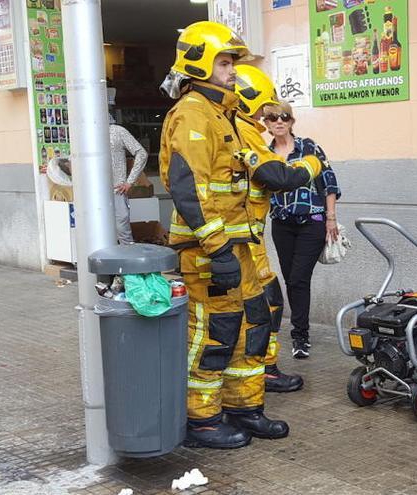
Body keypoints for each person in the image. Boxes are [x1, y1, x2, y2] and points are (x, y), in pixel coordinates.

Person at [159, 21, 292, 449]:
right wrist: (216, 247)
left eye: (233, 60)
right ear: (198, 61)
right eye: (224, 60)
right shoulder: (192, 114)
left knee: (254, 323)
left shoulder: (225, 113)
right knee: (214, 331)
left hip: (242, 247)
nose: (232, 68)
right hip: (208, 251)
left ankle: (244, 407)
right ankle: (202, 419)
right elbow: (188, 186)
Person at [233, 64, 322, 393]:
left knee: (272, 297)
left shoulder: (236, 128)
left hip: (248, 235)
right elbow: (278, 178)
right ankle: (260, 369)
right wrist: (310, 165)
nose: (268, 119)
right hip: (241, 237)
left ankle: (264, 366)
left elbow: (328, 187)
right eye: (265, 113)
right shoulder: (245, 134)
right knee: (263, 302)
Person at [263, 100, 341, 359]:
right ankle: (300, 331)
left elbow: (329, 181)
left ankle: (300, 336)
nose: (279, 122)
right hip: (282, 224)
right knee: (290, 279)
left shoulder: (309, 147)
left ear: (292, 121)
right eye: (273, 118)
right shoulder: (265, 154)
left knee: (298, 279)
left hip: (313, 221)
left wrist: (331, 219)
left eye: (284, 117)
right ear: (267, 124)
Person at [110, 117, 148, 244]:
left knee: (122, 231)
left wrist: (129, 182)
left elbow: (141, 153)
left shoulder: (117, 131)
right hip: (95, 192)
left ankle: (128, 260)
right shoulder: (86, 133)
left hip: (117, 190)